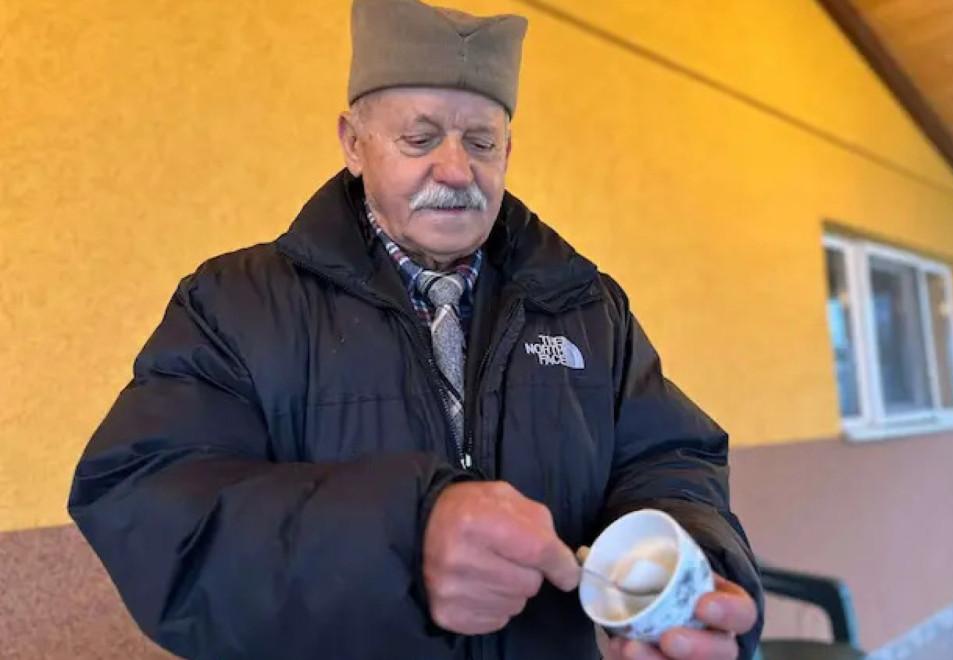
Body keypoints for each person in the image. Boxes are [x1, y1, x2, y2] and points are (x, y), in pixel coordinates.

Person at [68, 0, 763, 658]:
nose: (456, 169)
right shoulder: (235, 304)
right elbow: (143, 500)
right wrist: (399, 542)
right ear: (354, 143)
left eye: (482, 142)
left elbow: (672, 462)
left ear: (508, 153)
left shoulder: (586, 304)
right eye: (419, 137)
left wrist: (683, 567)